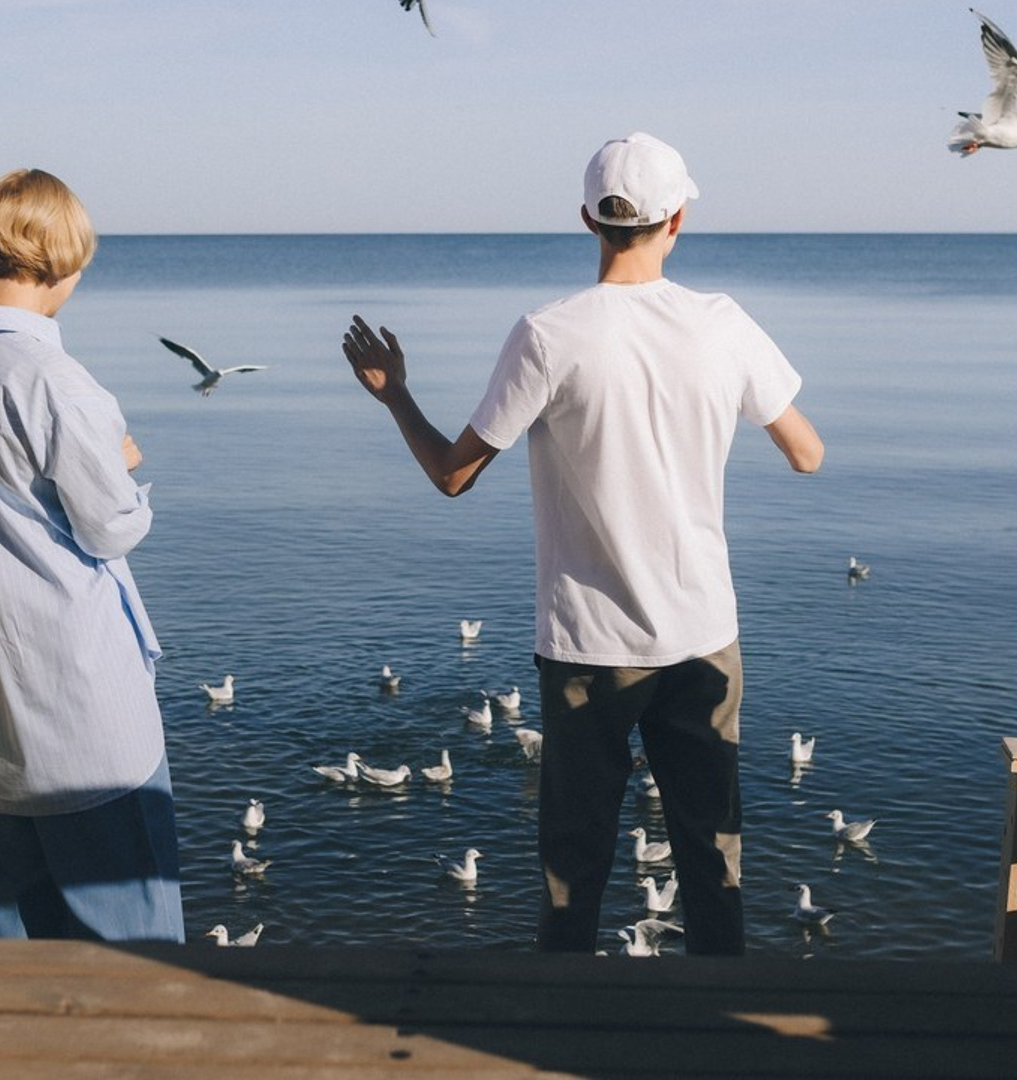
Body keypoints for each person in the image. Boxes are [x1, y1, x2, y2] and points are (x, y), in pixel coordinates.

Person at [343, 132, 823, 954]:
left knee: (576, 862)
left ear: (587, 220)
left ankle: (565, 1024)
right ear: (679, 220)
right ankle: (718, 1032)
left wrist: (396, 396)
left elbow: (454, 476)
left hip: (587, 649)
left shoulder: (548, 334)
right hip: (703, 635)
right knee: (712, 854)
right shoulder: (723, 324)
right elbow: (807, 452)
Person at [0, 169, 184, 942]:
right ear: (61, 261)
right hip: (84, 719)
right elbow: (111, 529)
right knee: (142, 962)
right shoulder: (54, 380)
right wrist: (122, 469)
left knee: (22, 956)